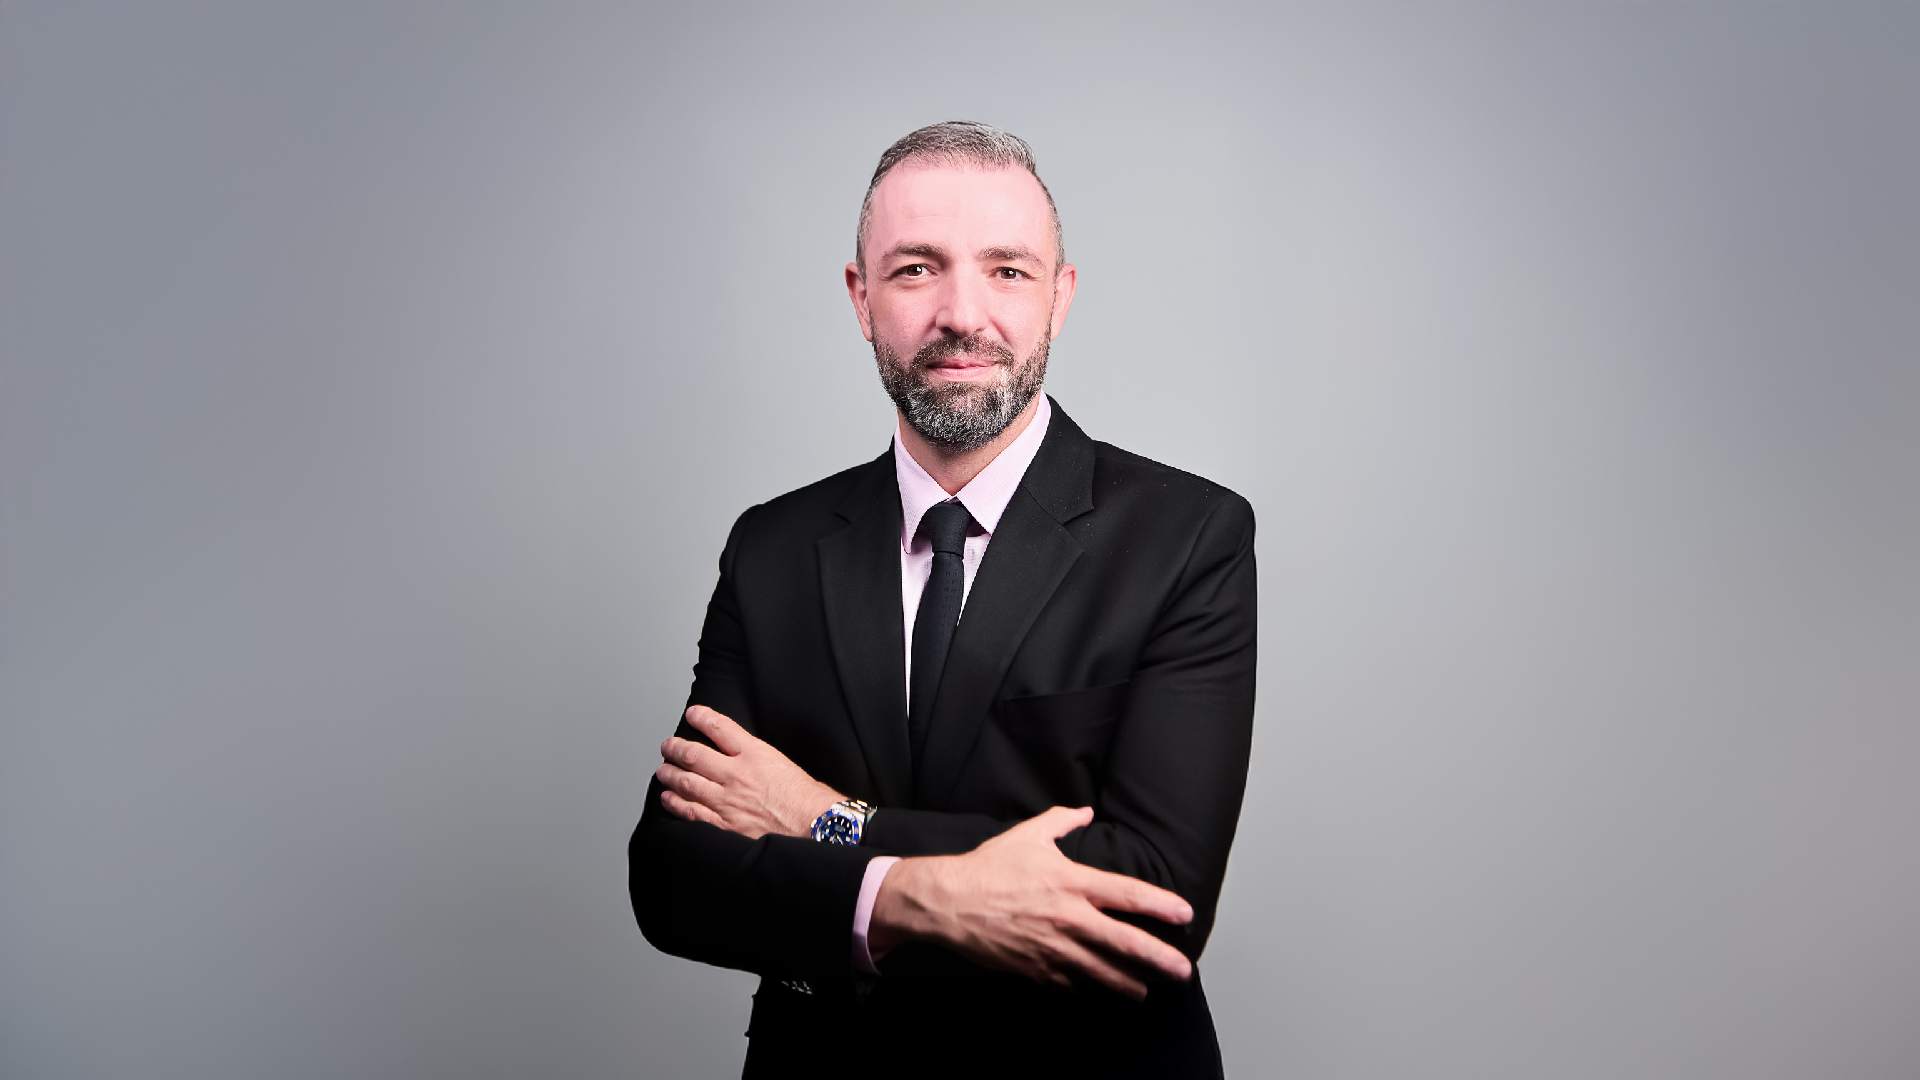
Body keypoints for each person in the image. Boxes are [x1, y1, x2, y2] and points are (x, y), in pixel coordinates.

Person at [628, 120, 1257, 1078]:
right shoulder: (773, 549)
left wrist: (829, 823)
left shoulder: (1188, 538)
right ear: (860, 296)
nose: (963, 313)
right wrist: (917, 897)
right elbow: (674, 878)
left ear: (1061, 296)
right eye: (917, 269)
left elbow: (1152, 895)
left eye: (1007, 270)